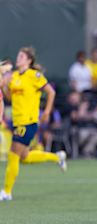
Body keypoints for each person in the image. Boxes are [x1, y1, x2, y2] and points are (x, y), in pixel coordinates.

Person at [0, 47, 67, 201]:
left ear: (29, 60)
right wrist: (4, 86)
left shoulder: (34, 76)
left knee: (13, 155)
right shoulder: (14, 76)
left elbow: (51, 92)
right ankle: (57, 157)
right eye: (18, 55)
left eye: (22, 56)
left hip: (28, 122)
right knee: (24, 157)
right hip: (17, 122)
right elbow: (9, 98)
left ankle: (6, 192)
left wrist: (48, 112)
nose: (18, 58)